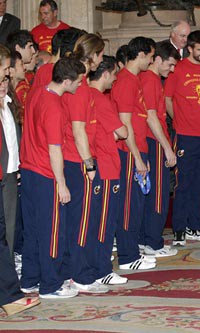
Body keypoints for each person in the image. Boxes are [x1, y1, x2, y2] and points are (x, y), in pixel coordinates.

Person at [20, 56, 85, 299]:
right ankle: (51, 284)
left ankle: (30, 279)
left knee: (33, 230)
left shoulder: (36, 93)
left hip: (28, 171)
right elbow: (54, 149)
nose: (79, 85)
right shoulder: (55, 106)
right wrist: (62, 183)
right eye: (78, 81)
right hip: (46, 174)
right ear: (66, 81)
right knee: (52, 232)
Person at [60, 33, 109, 294]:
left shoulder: (80, 85)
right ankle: (80, 274)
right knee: (81, 220)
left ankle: (74, 270)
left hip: (73, 158)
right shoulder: (79, 88)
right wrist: (89, 164)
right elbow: (78, 130)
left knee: (76, 220)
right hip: (78, 160)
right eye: (100, 55)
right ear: (93, 56)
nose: (101, 61)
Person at [165, 30, 200, 246]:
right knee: (183, 184)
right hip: (185, 135)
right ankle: (179, 228)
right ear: (190, 48)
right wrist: (178, 120)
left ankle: (195, 226)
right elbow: (167, 99)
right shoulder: (178, 70)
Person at [0, 47, 40, 315]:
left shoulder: (6, 100)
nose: (7, 78)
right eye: (4, 73)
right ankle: (9, 295)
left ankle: (8, 294)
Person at [111, 36, 157, 270]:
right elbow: (124, 122)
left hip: (138, 149)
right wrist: (137, 157)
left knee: (136, 203)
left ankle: (132, 250)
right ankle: (128, 257)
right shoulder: (126, 82)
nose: (151, 61)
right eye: (150, 57)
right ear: (140, 55)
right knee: (129, 204)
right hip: (128, 152)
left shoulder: (134, 80)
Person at [88, 55, 129, 284]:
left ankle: (99, 267)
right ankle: (102, 270)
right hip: (106, 166)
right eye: (114, 74)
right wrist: (116, 131)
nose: (115, 79)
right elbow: (122, 132)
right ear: (105, 74)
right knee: (104, 221)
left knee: (99, 220)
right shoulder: (99, 99)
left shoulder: (87, 95)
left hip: (101, 164)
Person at [137, 41, 178, 257]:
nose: (170, 70)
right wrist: (167, 148)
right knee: (158, 194)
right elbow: (152, 117)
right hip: (154, 140)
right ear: (158, 59)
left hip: (151, 140)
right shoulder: (151, 80)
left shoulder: (147, 79)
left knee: (150, 192)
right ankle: (153, 242)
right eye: (169, 65)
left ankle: (147, 239)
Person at [0, 66, 20, 258]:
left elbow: (14, 138)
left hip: (11, 170)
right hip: (1, 170)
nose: (3, 85)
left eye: (6, 81)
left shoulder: (9, 104)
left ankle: (8, 265)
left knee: (10, 223)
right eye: (0, 81)